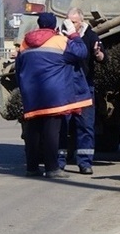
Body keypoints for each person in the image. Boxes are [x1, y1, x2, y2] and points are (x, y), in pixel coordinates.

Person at [15, 12, 92, 179]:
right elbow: (82, 52)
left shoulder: (25, 44)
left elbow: (18, 69)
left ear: (39, 25)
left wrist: (24, 90)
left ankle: (32, 168)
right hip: (53, 95)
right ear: (54, 26)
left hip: (32, 94)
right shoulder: (60, 41)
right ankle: (52, 168)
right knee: (51, 132)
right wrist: (73, 34)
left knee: (33, 132)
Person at [57, 7, 106, 175]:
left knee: (85, 126)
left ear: (82, 21)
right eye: (68, 21)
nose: (70, 25)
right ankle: (59, 161)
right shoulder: (59, 36)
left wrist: (98, 54)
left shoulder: (90, 36)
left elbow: (102, 58)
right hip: (64, 88)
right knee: (61, 125)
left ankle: (85, 162)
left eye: (74, 22)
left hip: (85, 87)